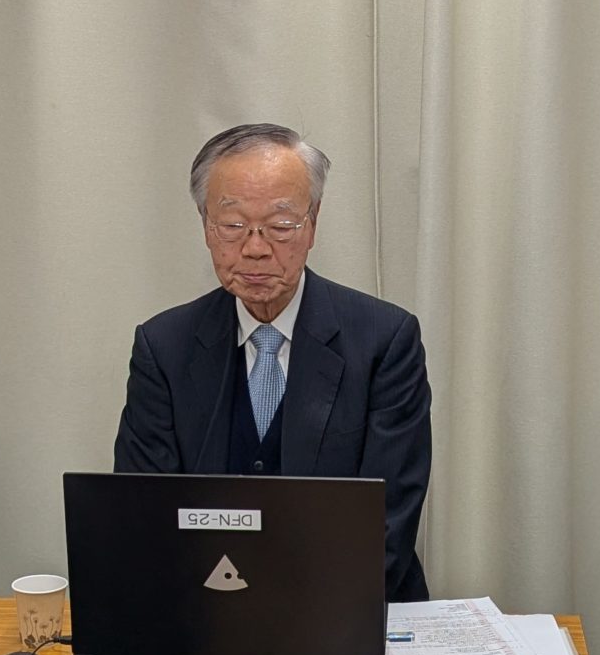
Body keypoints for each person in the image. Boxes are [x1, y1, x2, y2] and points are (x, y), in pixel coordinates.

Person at [115, 123, 432, 603]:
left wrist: (301, 617)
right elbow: (143, 513)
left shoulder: (385, 340)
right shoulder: (164, 347)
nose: (256, 247)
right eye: (233, 225)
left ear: (313, 223)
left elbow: (388, 520)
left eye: (281, 226)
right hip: (205, 610)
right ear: (205, 226)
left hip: (350, 607)